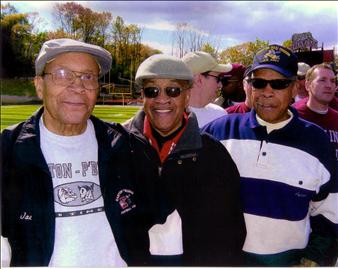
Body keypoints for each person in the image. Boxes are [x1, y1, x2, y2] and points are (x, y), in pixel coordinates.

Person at [1, 38, 149, 267]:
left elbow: (156, 223)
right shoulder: (8, 151)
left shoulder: (128, 146)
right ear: (39, 85)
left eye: (88, 77)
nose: (78, 86)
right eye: (62, 74)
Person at [202, 44, 337, 266]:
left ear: (294, 88)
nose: (267, 91)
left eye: (279, 83)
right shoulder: (219, 131)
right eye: (259, 82)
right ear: (250, 87)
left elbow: (330, 210)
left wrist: (313, 258)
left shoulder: (317, 141)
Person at [123, 54, 246, 266]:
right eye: (152, 90)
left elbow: (231, 232)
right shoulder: (119, 147)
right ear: (142, 96)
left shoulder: (213, 154)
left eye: (173, 90)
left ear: (187, 95)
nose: (162, 99)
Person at [293, 63, 338, 162]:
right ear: (308, 85)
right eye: (322, 80)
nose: (328, 85)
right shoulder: (291, 116)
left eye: (332, 81)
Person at [181, 51, 231, 127]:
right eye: (217, 78)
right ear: (198, 80)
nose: (220, 85)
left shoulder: (220, 115)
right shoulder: (171, 118)